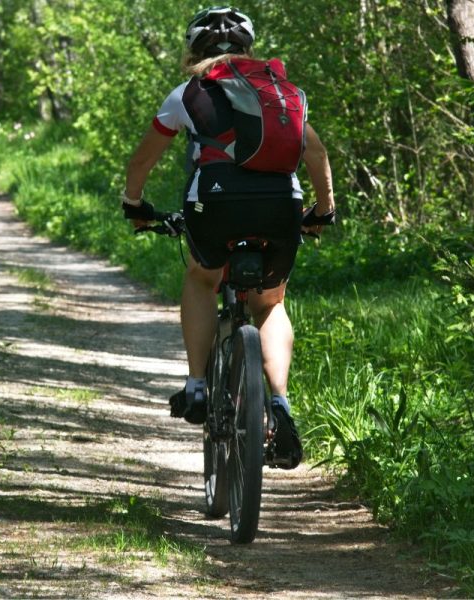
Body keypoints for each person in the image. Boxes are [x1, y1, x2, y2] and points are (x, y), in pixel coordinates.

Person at [121, 6, 335, 468]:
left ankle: (197, 386)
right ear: (248, 48)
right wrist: (323, 211)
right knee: (271, 303)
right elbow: (315, 151)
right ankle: (279, 403)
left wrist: (134, 206)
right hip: (282, 205)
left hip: (214, 206)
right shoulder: (280, 92)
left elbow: (141, 163)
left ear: (193, 51)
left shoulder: (187, 94)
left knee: (202, 278)